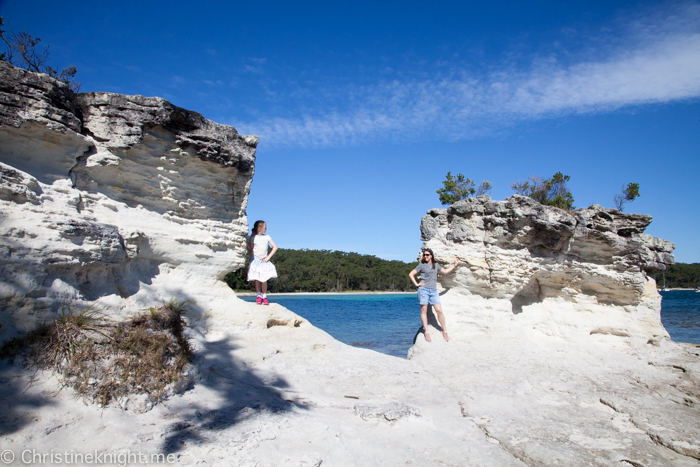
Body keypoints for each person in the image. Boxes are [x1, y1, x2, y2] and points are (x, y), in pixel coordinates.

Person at [408, 248, 459, 342]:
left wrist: (454, 266)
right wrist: (416, 284)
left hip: (433, 291)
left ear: (431, 255)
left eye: (427, 255)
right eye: (424, 255)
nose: (425, 256)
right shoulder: (421, 265)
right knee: (424, 310)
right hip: (423, 290)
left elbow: (445, 271)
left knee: (439, 311)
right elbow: (411, 274)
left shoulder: (436, 265)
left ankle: (444, 330)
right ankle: (426, 331)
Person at [247, 220, 278, 305]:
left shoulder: (267, 237)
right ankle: (258, 296)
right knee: (257, 279)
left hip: (263, 261)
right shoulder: (253, 238)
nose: (266, 229)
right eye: (265, 227)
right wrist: (246, 244)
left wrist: (268, 257)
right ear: (259, 228)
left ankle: (264, 296)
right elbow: (251, 250)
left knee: (264, 279)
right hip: (255, 260)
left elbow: (275, 247)